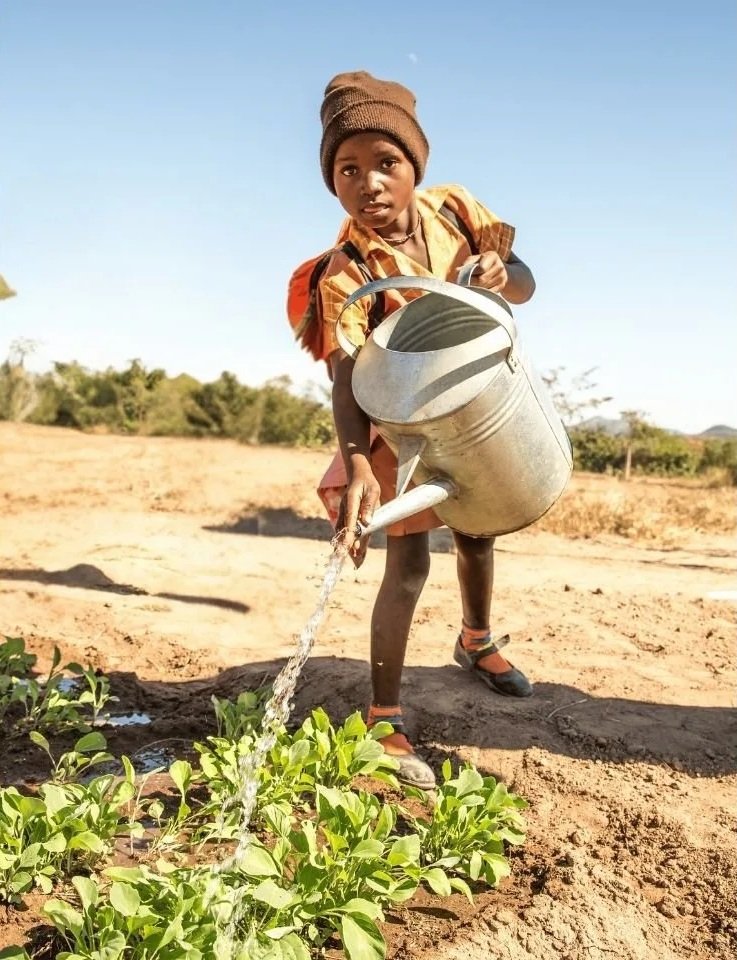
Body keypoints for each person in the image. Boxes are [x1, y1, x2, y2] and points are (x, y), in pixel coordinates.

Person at [289, 71, 537, 789]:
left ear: (413, 167)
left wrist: (500, 271)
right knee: (407, 565)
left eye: (384, 162)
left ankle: (476, 641)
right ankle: (385, 716)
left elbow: (523, 282)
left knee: (477, 532)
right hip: (397, 423)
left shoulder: (456, 213)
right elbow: (344, 378)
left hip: (475, 405)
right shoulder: (347, 271)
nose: (368, 181)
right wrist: (359, 461)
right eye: (347, 169)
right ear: (332, 182)